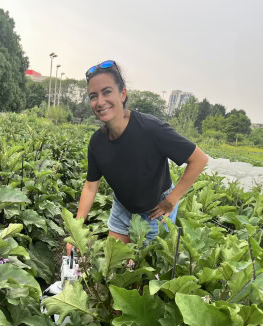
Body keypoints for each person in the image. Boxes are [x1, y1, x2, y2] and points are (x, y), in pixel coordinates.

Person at [66, 60, 208, 256]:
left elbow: (199, 159)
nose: (100, 102)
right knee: (115, 266)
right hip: (122, 208)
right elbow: (91, 187)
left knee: (146, 275)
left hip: (156, 211)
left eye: (107, 92)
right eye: (93, 96)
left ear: (122, 94)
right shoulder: (97, 142)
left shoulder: (150, 129)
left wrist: (172, 199)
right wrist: (76, 230)